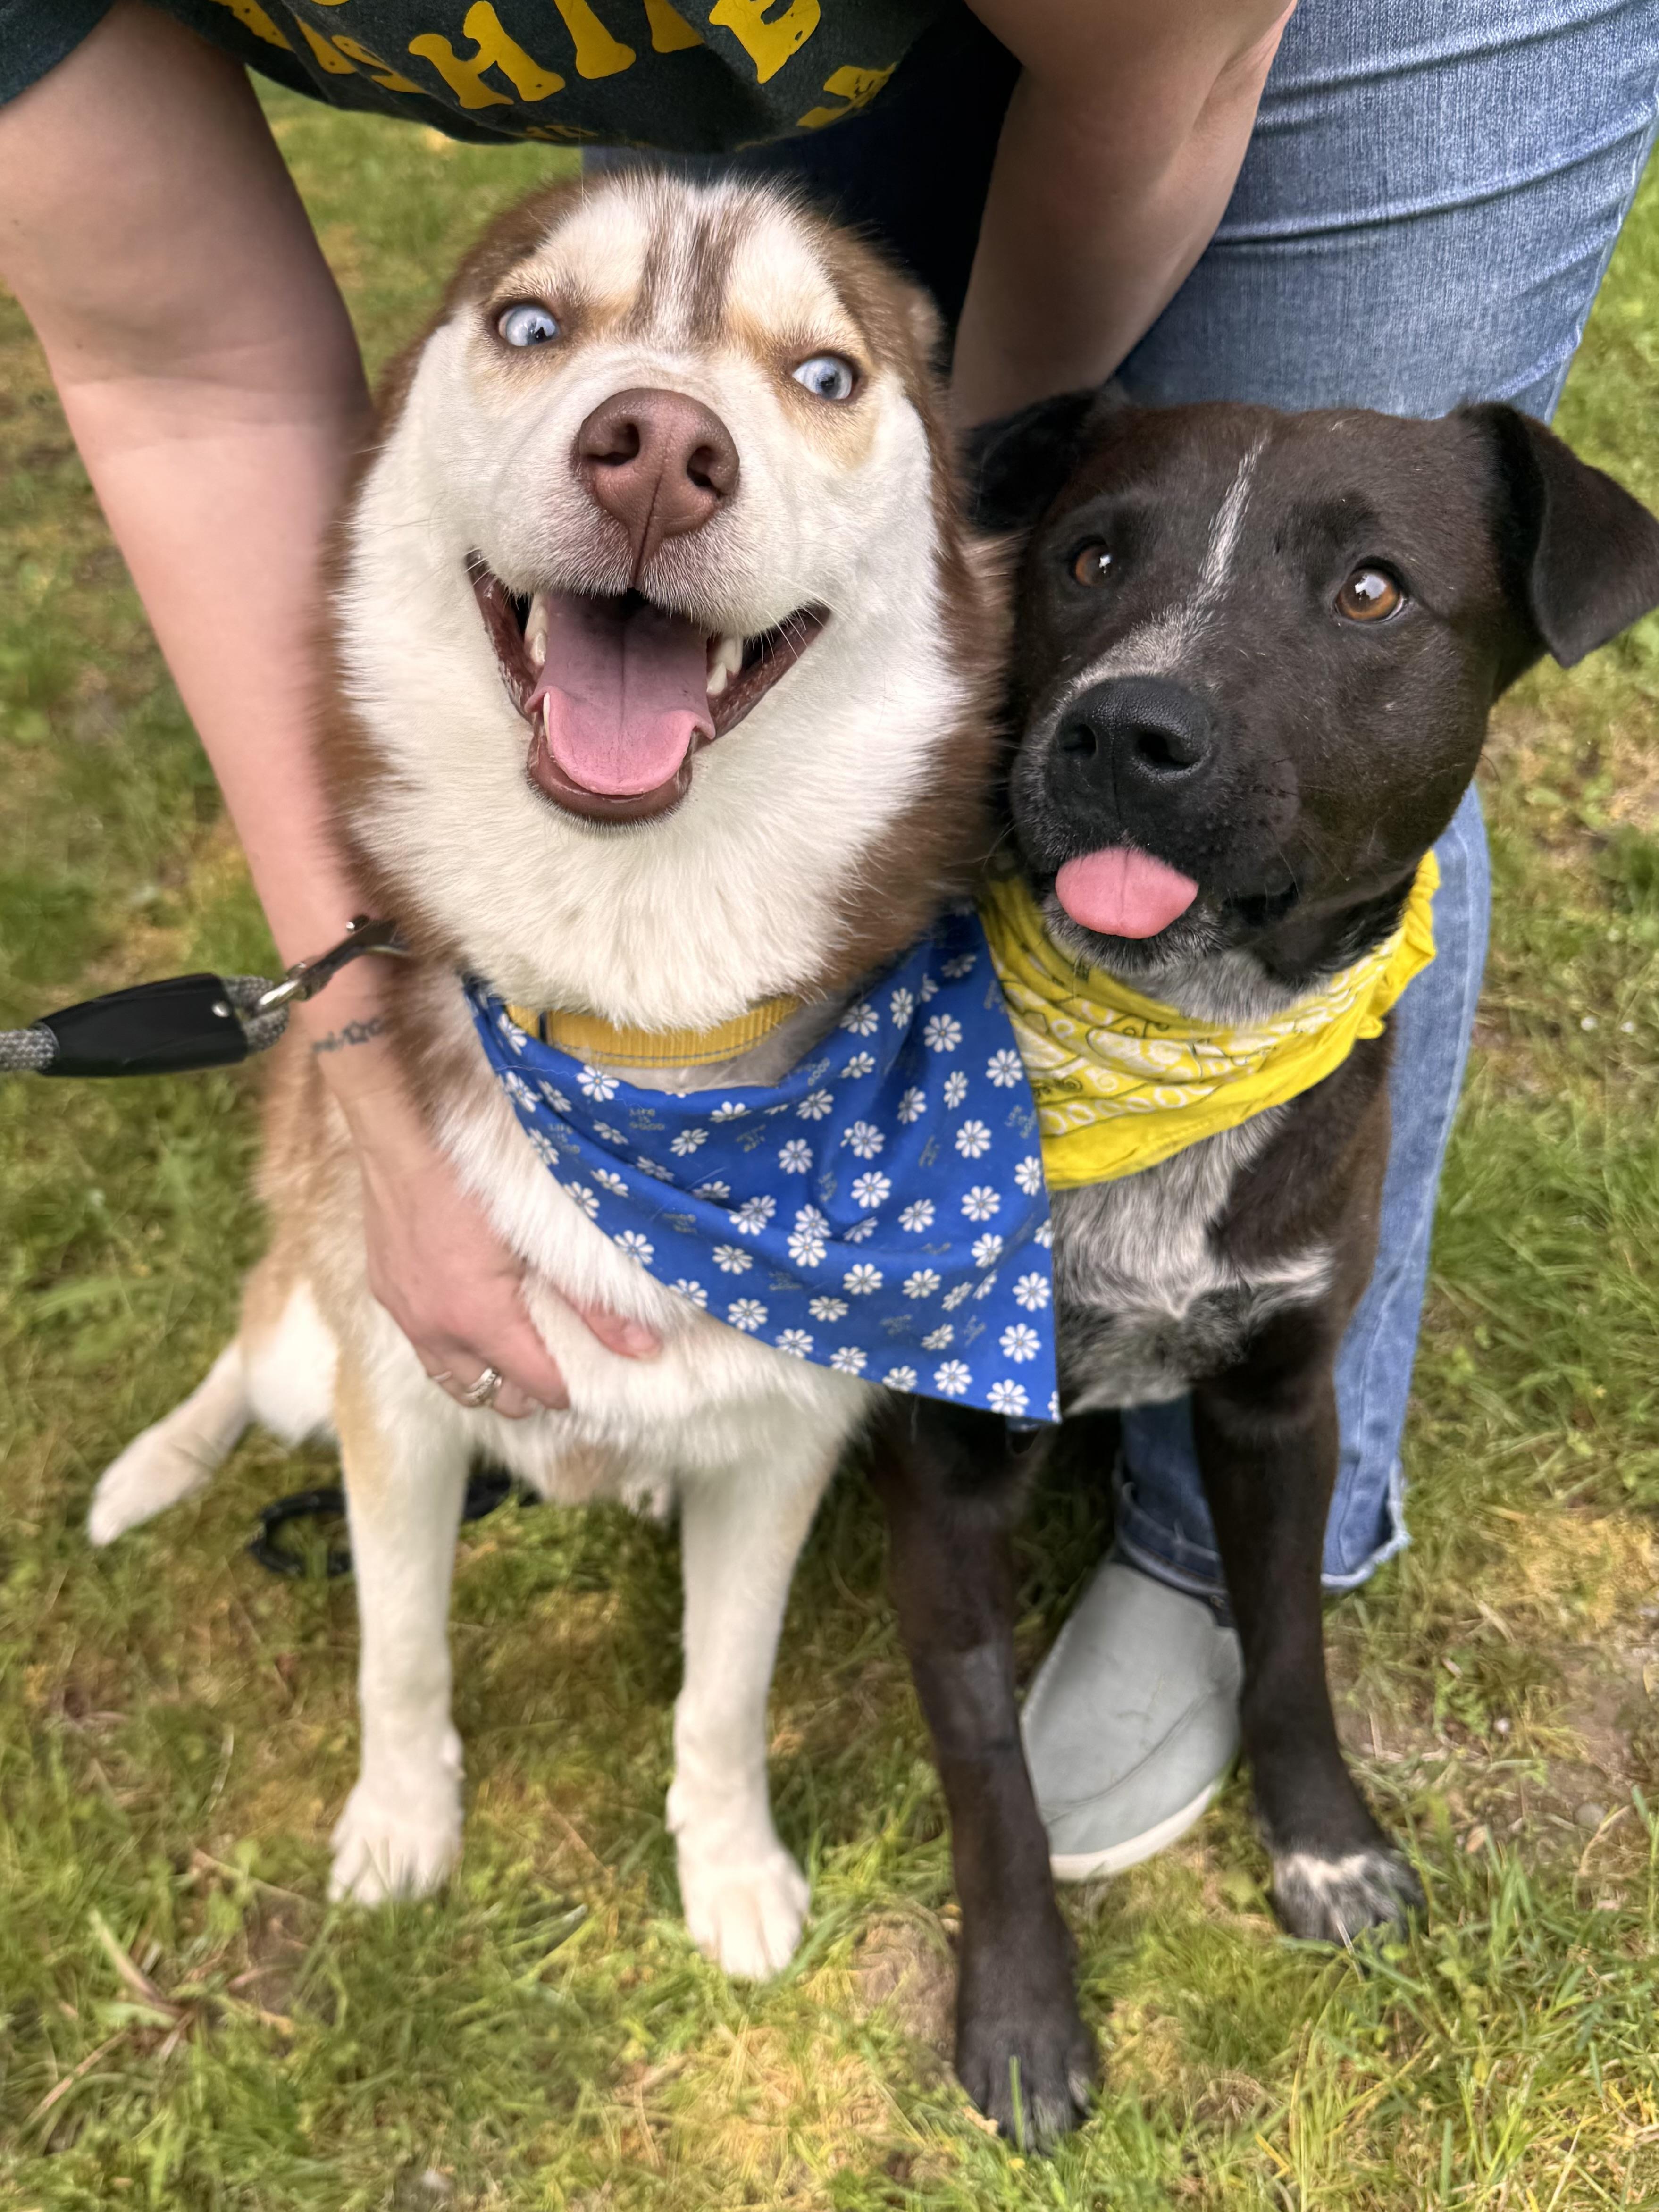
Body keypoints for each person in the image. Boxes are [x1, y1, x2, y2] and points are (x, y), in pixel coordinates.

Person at [3, 0, 1654, 1879]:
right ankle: (944, 1334)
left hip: (1228, 37)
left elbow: (1138, 109)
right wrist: (375, 1071)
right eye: (538, 332)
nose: (660, 442)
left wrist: (915, 559)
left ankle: (1222, 1525)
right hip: (848, 58)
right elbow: (180, 363)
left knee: (1310, 708)